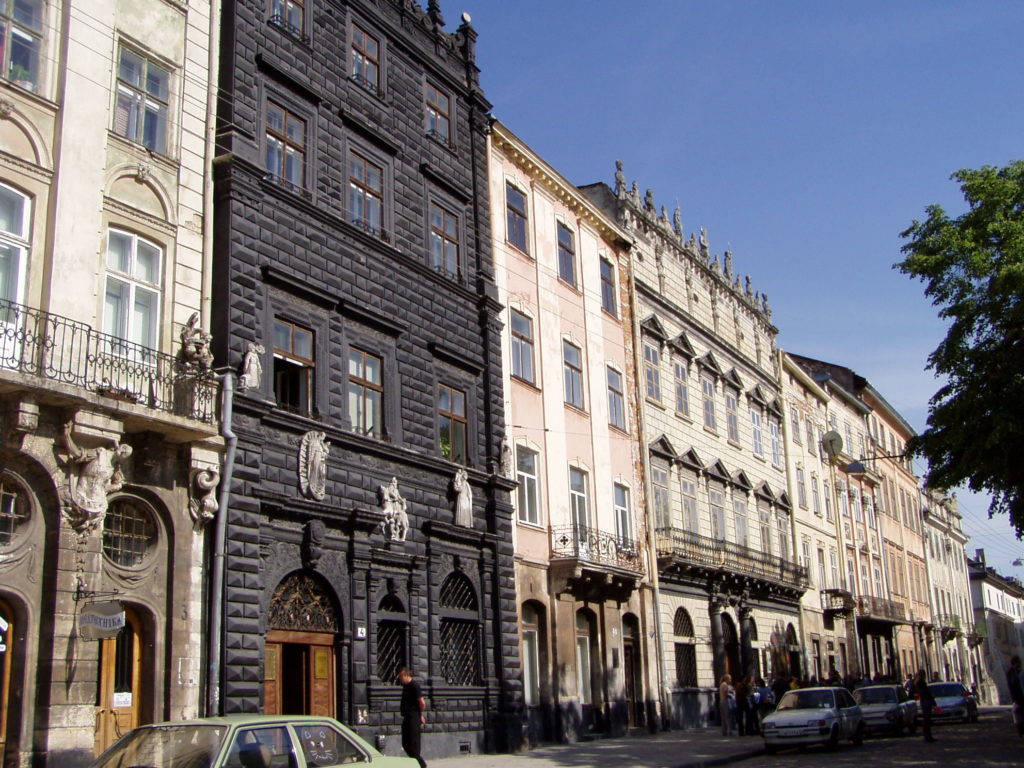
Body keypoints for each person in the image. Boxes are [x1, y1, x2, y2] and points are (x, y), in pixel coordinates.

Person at [398, 668, 427, 768]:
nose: (400, 678)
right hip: (407, 717)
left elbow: (422, 702)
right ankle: (416, 763)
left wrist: (419, 714)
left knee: (413, 744)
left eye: (401, 676)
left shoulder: (414, 686)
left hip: (413, 718)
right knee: (405, 743)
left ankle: (422, 765)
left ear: (406, 675)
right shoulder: (406, 686)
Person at [914, 669, 936, 743]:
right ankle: (927, 736)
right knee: (927, 720)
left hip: (924, 702)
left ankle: (927, 736)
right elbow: (925, 693)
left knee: (926, 720)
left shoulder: (918, 683)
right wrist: (931, 699)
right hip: (926, 702)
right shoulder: (921, 683)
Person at [1007, 656, 1024, 737]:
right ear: (1015, 663)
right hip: (1017, 698)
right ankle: (1021, 731)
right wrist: (1014, 699)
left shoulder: (1019, 672)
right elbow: (1011, 686)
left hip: (1020, 697)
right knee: (1018, 715)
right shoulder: (1010, 673)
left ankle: (1021, 731)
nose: (1020, 664)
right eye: (1018, 662)